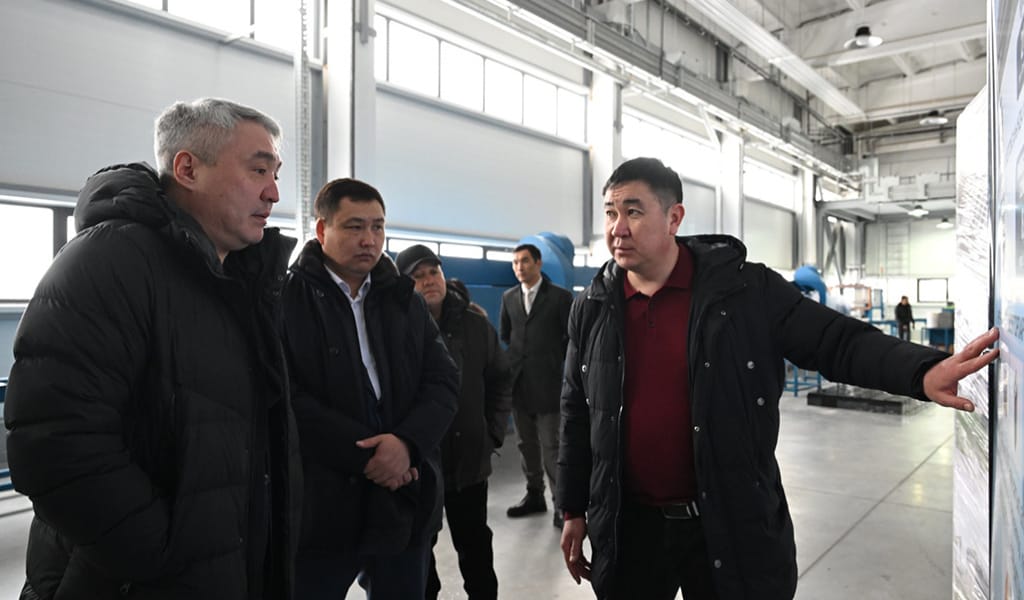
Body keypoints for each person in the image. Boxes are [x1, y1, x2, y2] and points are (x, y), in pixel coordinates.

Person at [556, 157, 1000, 600]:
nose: (617, 228)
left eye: (633, 211)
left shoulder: (744, 292)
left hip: (727, 523)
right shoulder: (593, 307)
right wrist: (573, 508)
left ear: (674, 218)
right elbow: (576, 412)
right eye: (610, 213)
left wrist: (921, 372)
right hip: (629, 528)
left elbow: (836, 341)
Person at [3, 98, 302, 599]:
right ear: (187, 169)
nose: (273, 192)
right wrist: (161, 553)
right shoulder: (111, 260)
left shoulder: (243, 281)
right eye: (258, 170)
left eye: (276, 174)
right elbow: (54, 441)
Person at [281, 179, 458, 599]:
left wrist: (407, 444)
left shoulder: (403, 299)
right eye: (354, 226)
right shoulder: (288, 299)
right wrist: (371, 456)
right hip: (323, 504)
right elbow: (287, 397)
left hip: (402, 494)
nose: (369, 239)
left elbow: (443, 379)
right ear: (321, 230)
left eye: (378, 227)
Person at [395, 244, 513, 600]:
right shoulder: (397, 328)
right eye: (418, 276)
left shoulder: (476, 325)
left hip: (469, 461)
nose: (429, 281)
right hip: (418, 463)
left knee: (475, 548)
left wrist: (491, 432)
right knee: (420, 551)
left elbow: (500, 378)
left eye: (434, 272)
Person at [499, 243, 573, 528]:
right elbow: (507, 334)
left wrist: (553, 365)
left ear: (538, 263)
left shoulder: (559, 298)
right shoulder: (509, 297)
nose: (519, 267)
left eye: (525, 261)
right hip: (519, 384)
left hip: (548, 384)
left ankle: (561, 505)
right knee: (525, 444)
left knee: (552, 446)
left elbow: (570, 339)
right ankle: (534, 496)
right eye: (515, 262)